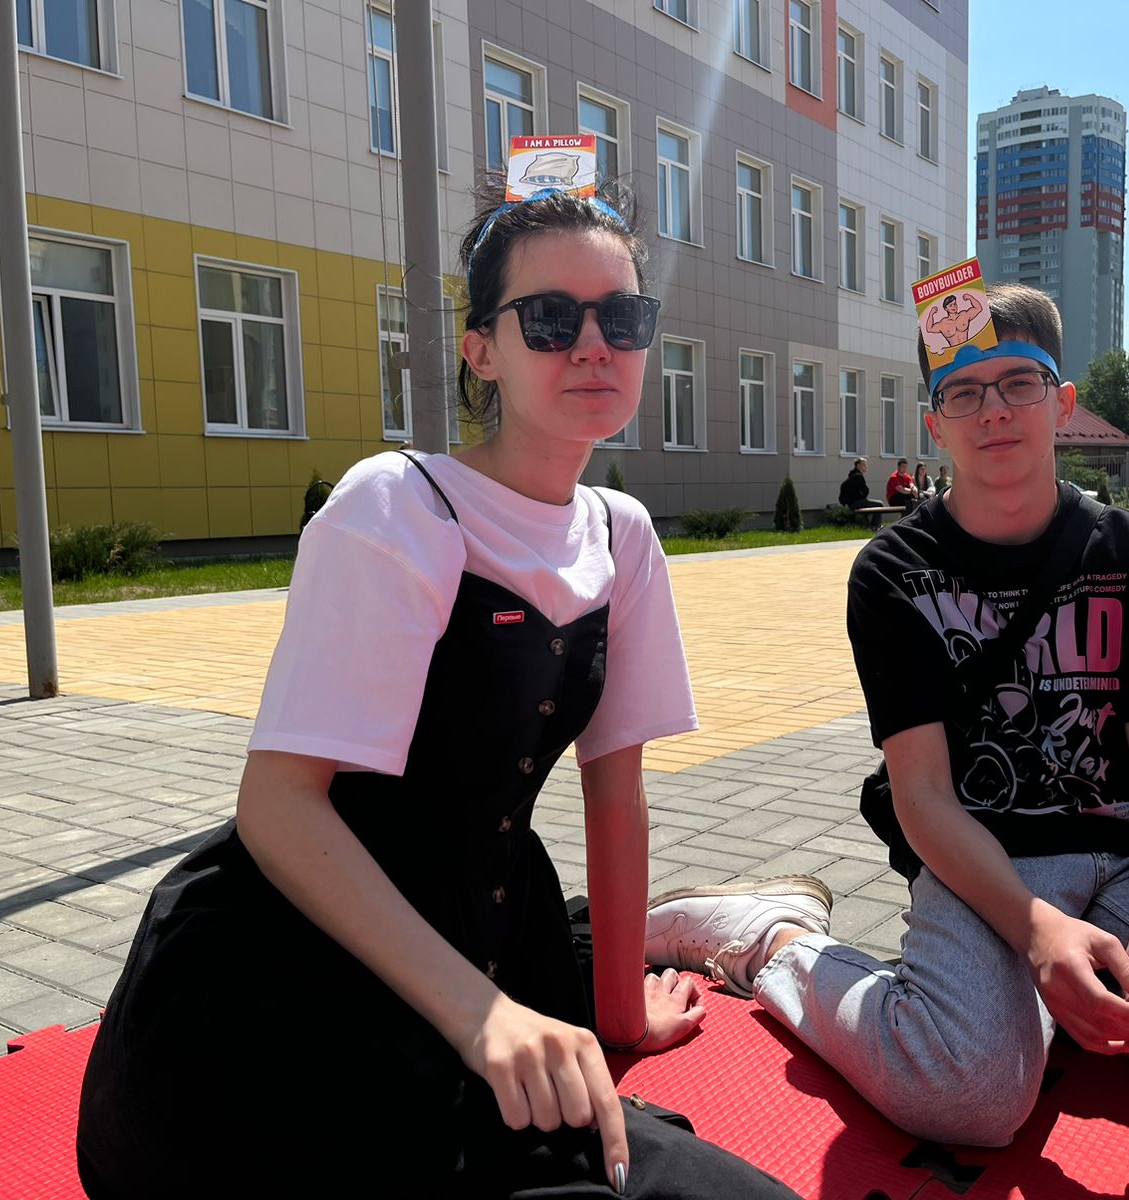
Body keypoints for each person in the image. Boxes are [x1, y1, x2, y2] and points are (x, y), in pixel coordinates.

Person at [75, 183, 801, 1200]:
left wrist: (619, 1018)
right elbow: (278, 804)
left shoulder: (622, 534)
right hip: (279, 989)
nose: (593, 345)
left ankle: (679, 928)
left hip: (494, 940)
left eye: (622, 317)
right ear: (481, 350)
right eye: (550, 319)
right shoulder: (399, 506)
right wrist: (483, 1016)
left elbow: (616, 791)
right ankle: (698, 924)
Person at [641, 284, 1129, 1148]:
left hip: (1128, 857)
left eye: (1019, 382)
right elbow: (922, 797)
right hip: (984, 862)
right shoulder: (893, 573)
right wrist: (1034, 930)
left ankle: (1084, 992)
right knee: (970, 1098)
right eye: (963, 392)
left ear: (1062, 402)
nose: (994, 410)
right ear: (935, 423)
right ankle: (774, 941)